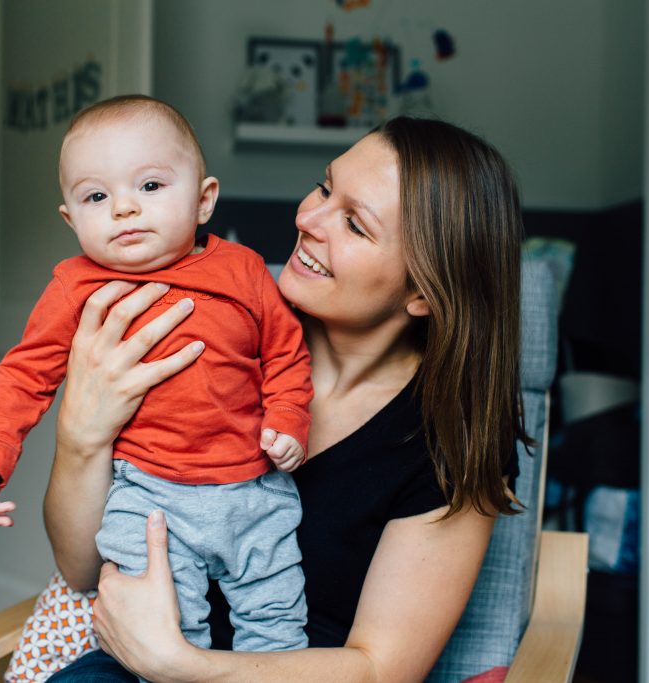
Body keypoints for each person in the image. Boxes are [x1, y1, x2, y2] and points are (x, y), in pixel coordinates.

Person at [31, 115, 528, 682]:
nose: (307, 219)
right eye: (323, 186)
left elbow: (382, 668)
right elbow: (80, 570)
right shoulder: (213, 329)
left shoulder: (450, 443)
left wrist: (178, 665)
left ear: (423, 291)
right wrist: (80, 435)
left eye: (355, 225)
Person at [0, 95, 314, 660]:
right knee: (162, 636)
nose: (124, 208)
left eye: (150, 186)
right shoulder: (75, 287)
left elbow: (287, 356)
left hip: (254, 490)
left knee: (276, 628)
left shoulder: (243, 269)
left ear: (203, 201)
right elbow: (23, 376)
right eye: (97, 196)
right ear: (72, 219)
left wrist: (288, 419)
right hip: (147, 495)